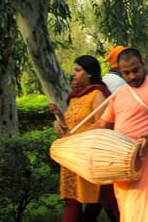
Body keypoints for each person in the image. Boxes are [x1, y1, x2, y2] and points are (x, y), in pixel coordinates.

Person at [93, 48, 148, 222]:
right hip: (123, 164)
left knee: (146, 213)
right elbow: (103, 123)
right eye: (126, 73)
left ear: (143, 65)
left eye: (135, 70)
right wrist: (73, 135)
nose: (132, 76)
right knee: (128, 212)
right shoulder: (120, 93)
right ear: (120, 72)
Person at [49, 55, 119, 222]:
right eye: (74, 70)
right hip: (73, 157)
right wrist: (59, 121)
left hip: (93, 157)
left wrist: (77, 138)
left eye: (78, 70)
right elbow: (71, 127)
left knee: (111, 199)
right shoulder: (74, 96)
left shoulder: (98, 94)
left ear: (90, 73)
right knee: (72, 200)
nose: (73, 74)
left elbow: (105, 125)